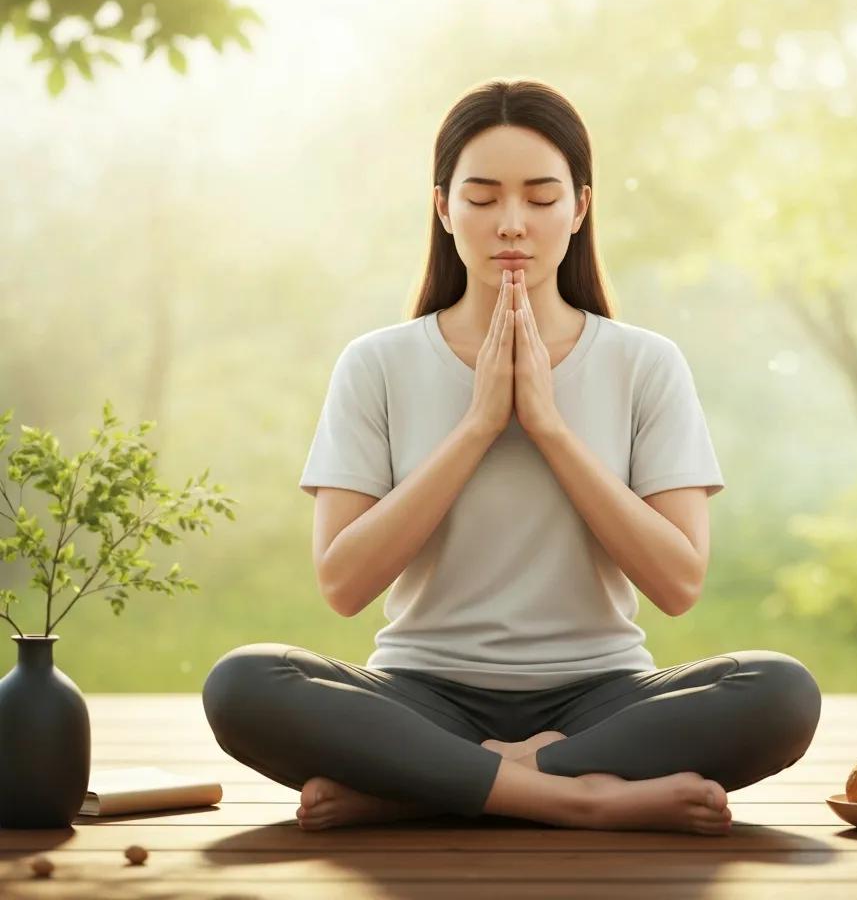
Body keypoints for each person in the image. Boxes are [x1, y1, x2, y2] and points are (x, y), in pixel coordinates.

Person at [202, 78, 821, 835]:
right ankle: (581, 797)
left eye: (540, 196)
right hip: (421, 697)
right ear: (442, 208)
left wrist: (552, 430)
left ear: (581, 207)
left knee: (782, 691)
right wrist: (478, 426)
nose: (512, 224)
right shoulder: (377, 364)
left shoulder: (645, 363)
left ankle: (419, 788)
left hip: (600, 700)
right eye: (484, 196)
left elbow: (678, 581)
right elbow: (343, 582)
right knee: (242, 683)